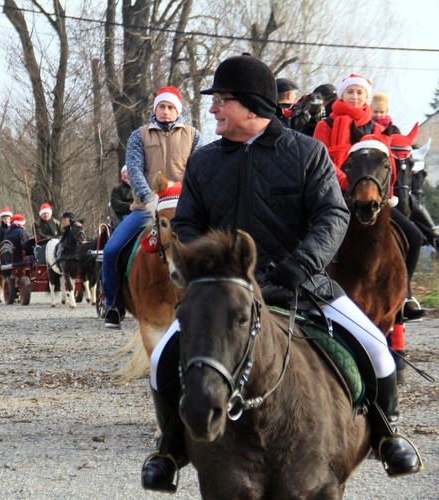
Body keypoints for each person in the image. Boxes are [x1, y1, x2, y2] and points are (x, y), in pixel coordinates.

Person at [139, 54, 422, 493]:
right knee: (162, 360)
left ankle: (388, 434)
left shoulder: (306, 153)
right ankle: (171, 446)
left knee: (376, 350)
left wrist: (302, 262)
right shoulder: (204, 161)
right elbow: (189, 223)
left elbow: (332, 215)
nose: (213, 109)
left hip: (302, 284)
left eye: (222, 101)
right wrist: (203, 263)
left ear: (251, 105)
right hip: (224, 290)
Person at [314, 73, 425, 320]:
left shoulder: (378, 127)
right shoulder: (327, 124)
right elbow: (322, 161)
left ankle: (404, 298)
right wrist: (347, 182)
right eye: (350, 92)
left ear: (366, 96)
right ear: (341, 95)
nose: (354, 97)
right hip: (336, 193)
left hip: (371, 194)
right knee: (314, 236)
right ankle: (312, 290)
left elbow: (387, 163)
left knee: (414, 237)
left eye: (359, 92)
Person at [102, 85, 202, 328]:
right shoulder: (139, 135)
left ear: (177, 110)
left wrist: (192, 198)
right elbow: (134, 168)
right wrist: (148, 197)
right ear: (155, 108)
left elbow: (199, 169)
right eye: (161, 106)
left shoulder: (193, 135)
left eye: (170, 107)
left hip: (183, 207)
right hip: (147, 207)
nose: (165, 111)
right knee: (112, 250)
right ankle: (113, 304)